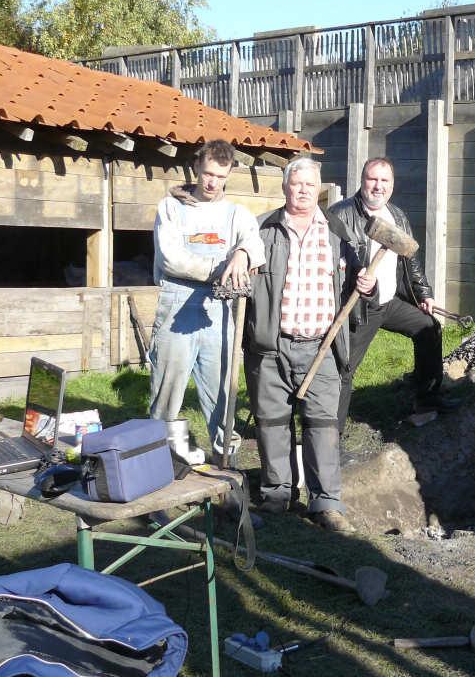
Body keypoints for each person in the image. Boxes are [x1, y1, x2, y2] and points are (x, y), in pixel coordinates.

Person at [243, 157, 375, 533]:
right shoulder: (262, 230)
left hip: (322, 346)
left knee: (322, 424)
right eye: (295, 184)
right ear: (285, 187)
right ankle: (277, 493)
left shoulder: (339, 231)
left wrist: (363, 286)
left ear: (319, 188)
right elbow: (243, 277)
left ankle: (326, 503)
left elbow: (356, 284)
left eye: (308, 184)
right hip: (270, 346)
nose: (302, 191)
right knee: (271, 423)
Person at [149, 139, 263, 464]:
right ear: (197, 166)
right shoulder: (171, 207)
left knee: (223, 395)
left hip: (220, 314)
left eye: (221, 176)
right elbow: (172, 259)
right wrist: (223, 269)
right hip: (177, 308)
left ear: (229, 175)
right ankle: (158, 466)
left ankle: (227, 474)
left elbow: (255, 243)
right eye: (208, 173)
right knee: (166, 393)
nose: (212, 182)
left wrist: (242, 252)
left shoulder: (236, 214)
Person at [330, 156, 454, 433]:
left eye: (384, 180)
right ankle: (330, 434)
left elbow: (410, 259)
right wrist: (352, 280)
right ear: (362, 181)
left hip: (389, 301)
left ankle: (427, 403)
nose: (378, 186)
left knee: (429, 328)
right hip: (359, 305)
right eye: (372, 179)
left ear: (392, 185)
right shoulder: (340, 215)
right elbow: (328, 263)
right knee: (344, 367)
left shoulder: (396, 216)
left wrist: (424, 293)